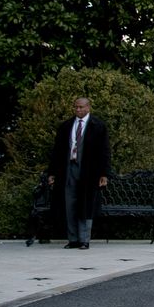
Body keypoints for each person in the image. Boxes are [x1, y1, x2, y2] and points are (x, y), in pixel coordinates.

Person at [47, 97, 110, 249]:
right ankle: (73, 239)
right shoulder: (66, 126)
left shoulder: (98, 126)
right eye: (76, 107)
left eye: (81, 107)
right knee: (69, 204)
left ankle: (84, 240)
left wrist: (104, 174)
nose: (78, 110)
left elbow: (105, 151)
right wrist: (52, 172)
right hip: (69, 169)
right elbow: (57, 151)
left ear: (88, 107)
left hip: (89, 171)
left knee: (86, 204)